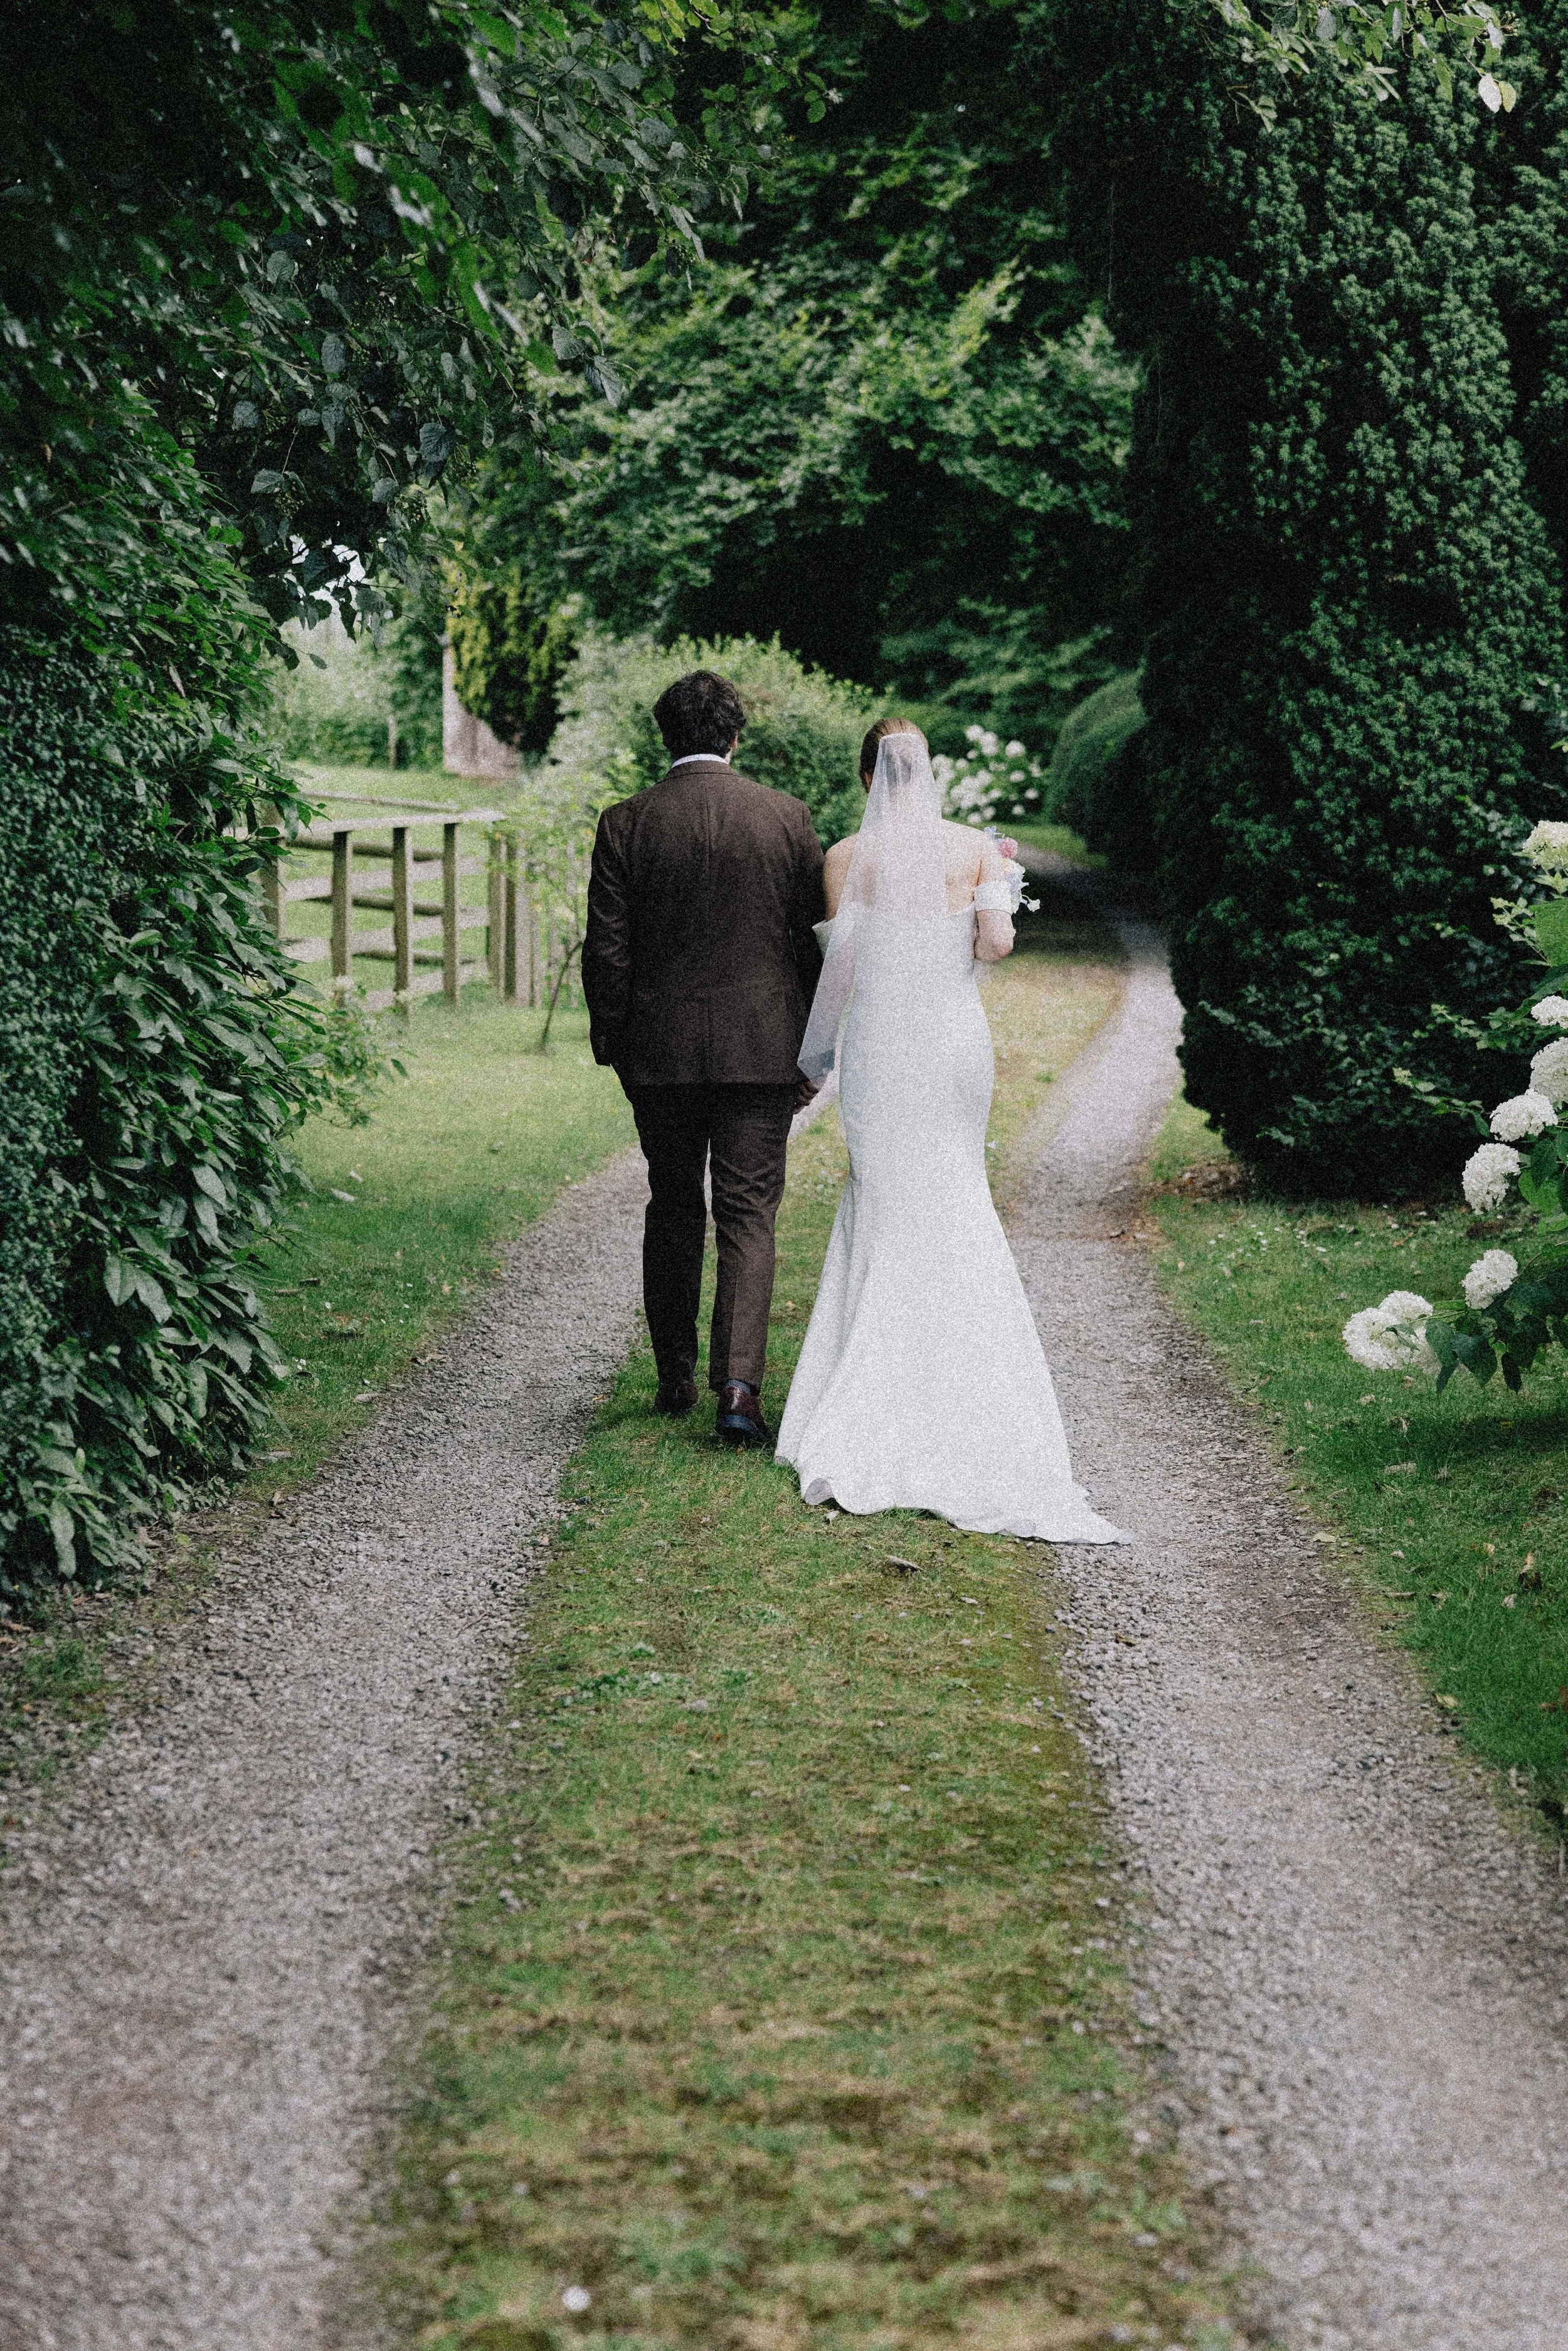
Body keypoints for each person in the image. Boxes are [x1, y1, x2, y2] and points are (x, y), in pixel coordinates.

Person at [775, 718, 1126, 1541]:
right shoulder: (978, 848)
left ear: (868, 781)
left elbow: (845, 972)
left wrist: (814, 1064)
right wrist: (991, 890)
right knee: (957, 1196)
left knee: (887, 1199)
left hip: (884, 1051)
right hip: (954, 1044)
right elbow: (998, 947)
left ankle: (868, 1394)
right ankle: (970, 1394)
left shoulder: (842, 860)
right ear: (927, 775)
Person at [582, 669, 826, 1445]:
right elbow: (812, 947)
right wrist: (814, 1049)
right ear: (734, 734)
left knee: (674, 1205)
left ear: (667, 735)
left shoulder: (626, 822)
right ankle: (739, 1390)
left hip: (659, 1052)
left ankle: (672, 1373)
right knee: (749, 1216)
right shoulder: (786, 819)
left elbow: (606, 952)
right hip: (763, 1049)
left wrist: (615, 1044)